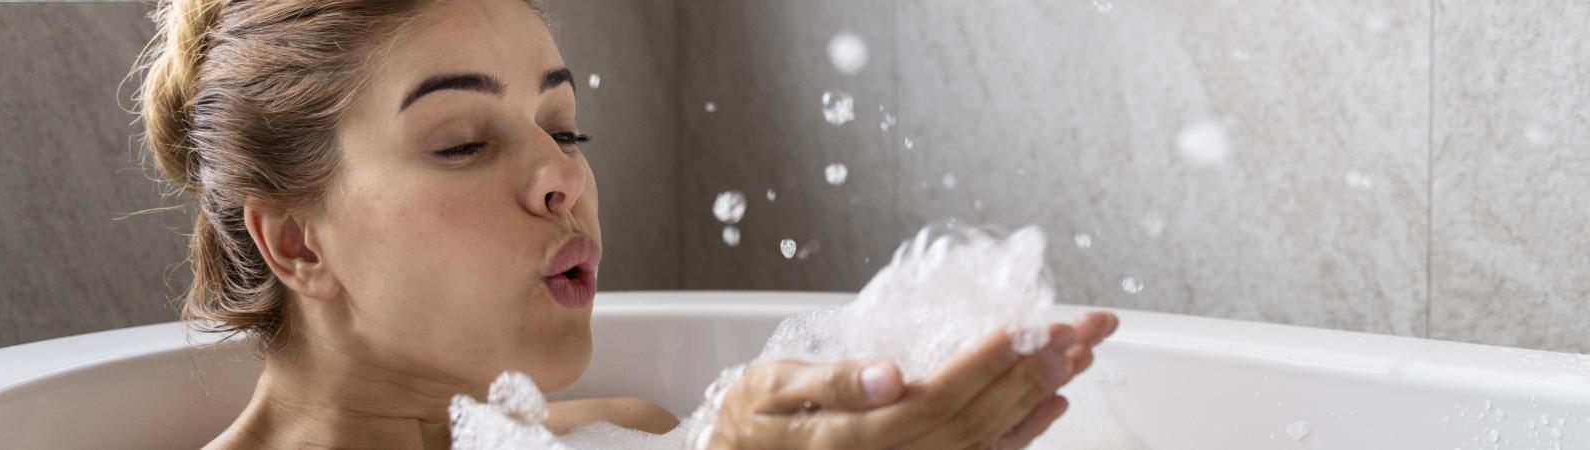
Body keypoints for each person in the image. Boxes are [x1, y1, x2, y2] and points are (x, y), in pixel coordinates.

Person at [136, 0, 1119, 448]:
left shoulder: (632, 436)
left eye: (565, 126)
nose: (563, 174)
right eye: (465, 143)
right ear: (297, 243)